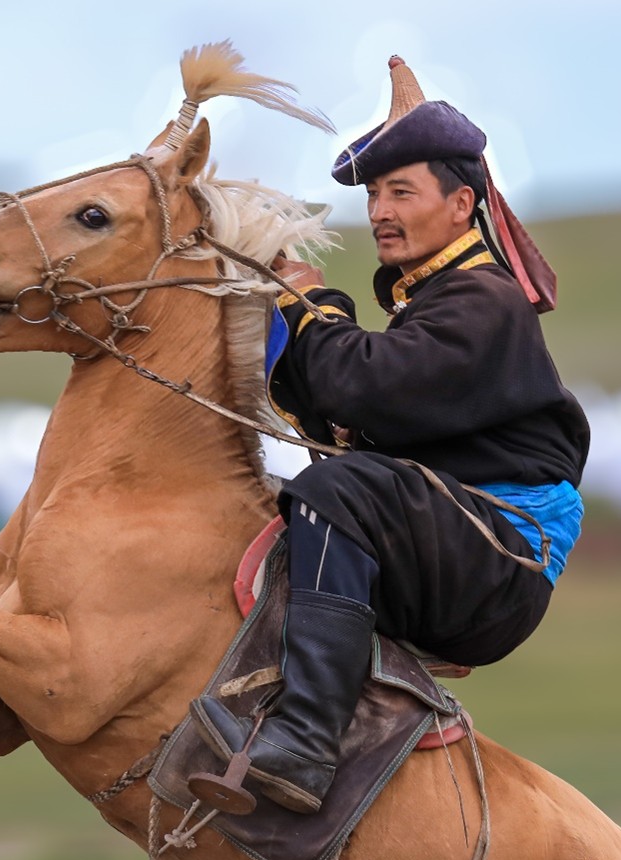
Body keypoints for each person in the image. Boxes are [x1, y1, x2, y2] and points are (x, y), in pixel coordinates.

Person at [190, 57, 590, 815]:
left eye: (400, 190)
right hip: (456, 541)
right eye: (375, 193)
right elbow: (347, 410)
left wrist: (314, 303)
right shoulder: (434, 305)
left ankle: (306, 741)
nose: (379, 209)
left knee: (335, 490)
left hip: (498, 554)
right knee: (282, 518)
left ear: (460, 203)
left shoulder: (482, 300)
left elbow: (360, 384)